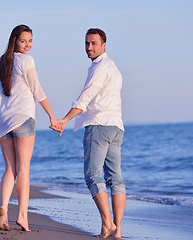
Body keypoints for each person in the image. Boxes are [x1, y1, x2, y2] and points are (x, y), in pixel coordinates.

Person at [51, 28, 126, 239]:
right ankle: (117, 231)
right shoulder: (114, 68)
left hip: (99, 125)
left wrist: (64, 120)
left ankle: (107, 223)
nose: (89, 47)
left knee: (93, 175)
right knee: (116, 179)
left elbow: (86, 97)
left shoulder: (100, 68)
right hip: (116, 126)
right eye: (86, 43)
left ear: (104, 45)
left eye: (93, 43)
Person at [0, 24, 60, 232]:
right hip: (23, 118)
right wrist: (52, 115)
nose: (27, 45)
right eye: (23, 41)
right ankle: (22, 216)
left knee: (9, 169)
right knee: (23, 168)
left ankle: (4, 209)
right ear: (14, 40)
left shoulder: (2, 61)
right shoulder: (26, 60)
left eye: (30, 41)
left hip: (4, 121)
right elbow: (37, 90)